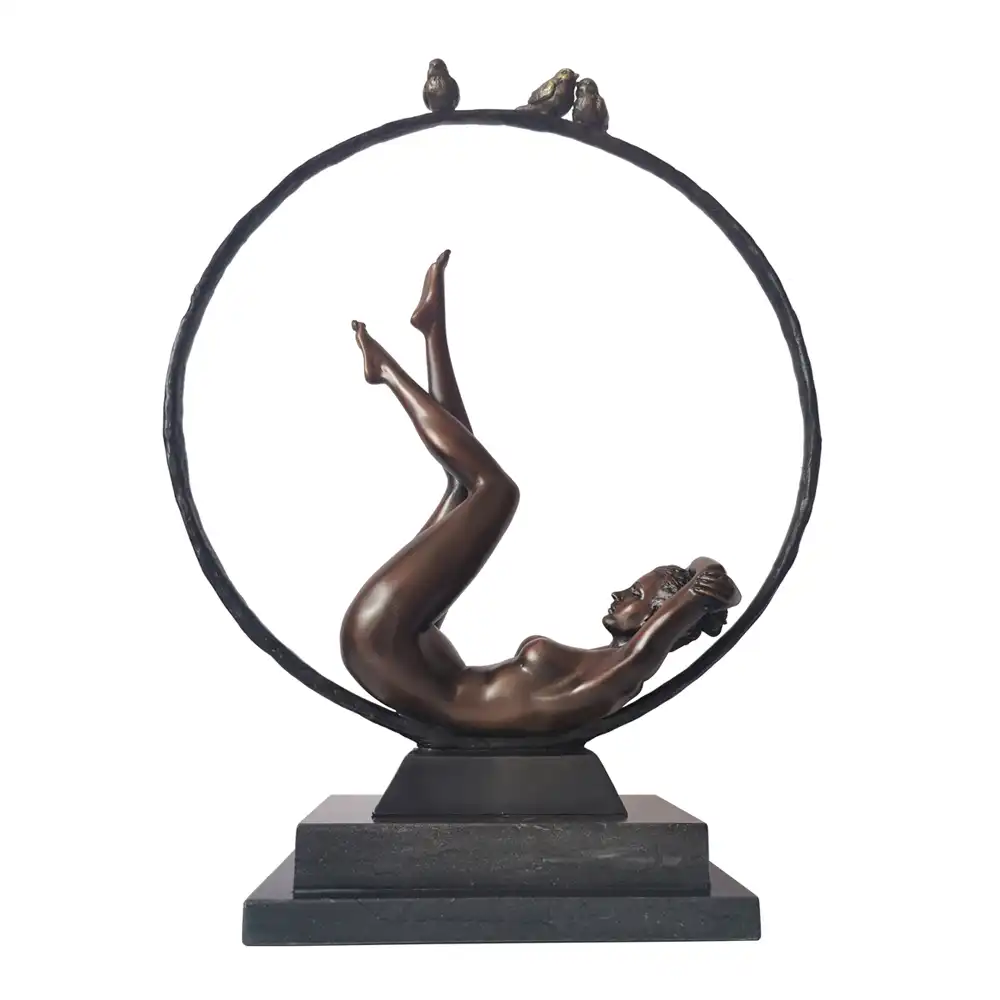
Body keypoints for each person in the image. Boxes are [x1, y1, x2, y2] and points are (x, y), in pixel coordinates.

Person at [341, 251, 741, 734]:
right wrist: (710, 585)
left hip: (385, 644)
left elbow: (686, 610)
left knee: (498, 491)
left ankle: (386, 372)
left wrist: (700, 600)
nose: (619, 593)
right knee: (468, 489)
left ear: (659, 618)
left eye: (637, 594)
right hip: (417, 647)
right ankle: (432, 331)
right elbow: (707, 569)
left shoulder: (624, 672)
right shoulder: (608, 663)